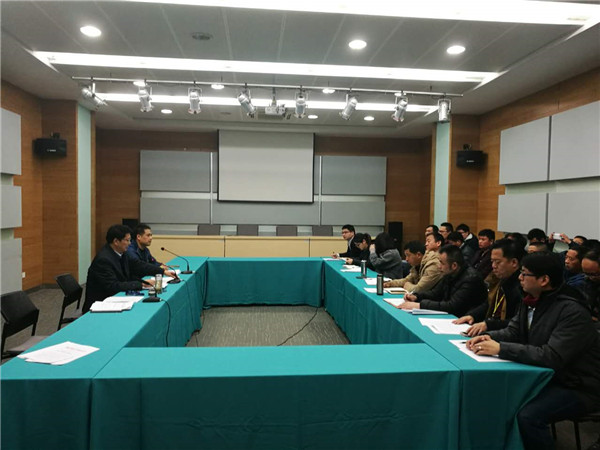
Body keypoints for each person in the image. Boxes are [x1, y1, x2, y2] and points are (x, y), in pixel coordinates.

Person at [466, 252, 600, 450]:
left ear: (544, 280)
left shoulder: (572, 311)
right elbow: (513, 331)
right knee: (498, 397)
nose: (519, 278)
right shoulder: (531, 299)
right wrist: (489, 337)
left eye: (524, 274)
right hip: (546, 375)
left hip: (577, 385)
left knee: (528, 416)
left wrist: (501, 348)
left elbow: (552, 356)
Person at [83, 224, 174, 313]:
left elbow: (139, 265)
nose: (130, 243)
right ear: (116, 241)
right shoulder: (103, 260)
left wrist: (162, 271)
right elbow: (113, 286)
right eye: (127, 240)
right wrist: (141, 284)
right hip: (100, 306)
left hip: (116, 299)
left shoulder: (122, 253)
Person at [454, 239, 525, 336]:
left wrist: (489, 325)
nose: (493, 266)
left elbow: (518, 323)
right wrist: (472, 315)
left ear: (514, 262)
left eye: (498, 262)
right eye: (492, 261)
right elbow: (489, 303)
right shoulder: (499, 279)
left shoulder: (522, 287)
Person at [400, 245, 487, 316]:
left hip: (465, 321)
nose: (439, 266)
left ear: (454, 265)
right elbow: (435, 293)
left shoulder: (471, 279)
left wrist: (420, 305)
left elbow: (452, 306)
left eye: (442, 263)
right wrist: (416, 296)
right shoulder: (449, 273)